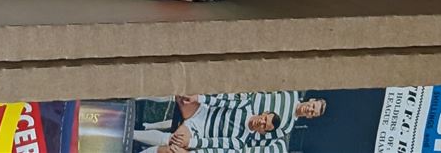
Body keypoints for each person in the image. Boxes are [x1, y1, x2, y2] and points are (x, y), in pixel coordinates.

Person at [131, 92, 328, 150]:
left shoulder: (285, 128)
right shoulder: (288, 94)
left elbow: (220, 143)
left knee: (174, 141)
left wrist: (192, 142)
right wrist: (199, 98)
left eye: (313, 112)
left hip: (203, 130)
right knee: (182, 94)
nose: (310, 109)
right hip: (211, 110)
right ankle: (134, 96)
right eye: (313, 106)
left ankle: (129, 134)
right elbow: (226, 100)